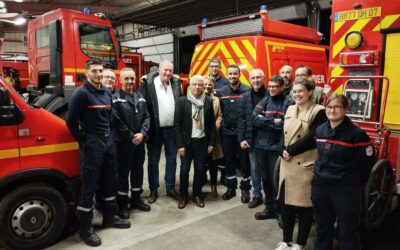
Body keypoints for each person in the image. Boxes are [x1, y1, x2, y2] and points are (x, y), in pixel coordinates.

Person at [66, 59, 130, 247]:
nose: (99, 74)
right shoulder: (81, 93)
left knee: (110, 180)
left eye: (100, 71)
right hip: (92, 143)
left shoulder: (106, 92)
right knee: (90, 185)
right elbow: (71, 122)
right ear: (87, 74)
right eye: (94, 71)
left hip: (108, 141)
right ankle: (85, 227)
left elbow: (110, 118)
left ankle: (109, 217)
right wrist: (83, 140)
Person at [309, 94, 374, 250]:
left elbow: (366, 164)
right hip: (321, 186)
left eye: (337, 107)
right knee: (323, 226)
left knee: (347, 230)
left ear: (345, 109)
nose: (333, 110)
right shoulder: (320, 130)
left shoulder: (357, 135)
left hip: (344, 189)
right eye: (330, 107)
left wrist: (352, 183)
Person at [275, 78, 327, 250]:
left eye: (301, 91)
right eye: (295, 91)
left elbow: (313, 137)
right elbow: (283, 132)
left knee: (305, 208)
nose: (297, 94)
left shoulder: (319, 111)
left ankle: (300, 243)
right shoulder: (290, 108)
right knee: (286, 206)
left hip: (305, 165)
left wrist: (290, 150)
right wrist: (281, 148)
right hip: (287, 166)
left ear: (310, 92)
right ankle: (286, 241)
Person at [252, 75, 294, 224]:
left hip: (277, 148)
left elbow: (286, 125)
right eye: (269, 86)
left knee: (278, 181)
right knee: (266, 180)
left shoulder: (290, 103)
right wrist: (273, 121)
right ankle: (269, 208)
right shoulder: (265, 100)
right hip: (262, 146)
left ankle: (280, 212)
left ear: (282, 87)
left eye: (274, 87)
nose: (270, 89)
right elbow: (254, 118)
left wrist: (265, 121)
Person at [139, 60, 183, 203]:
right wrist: (144, 130)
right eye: (165, 70)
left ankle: (170, 188)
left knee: (172, 159)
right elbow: (142, 108)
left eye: (170, 70)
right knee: (153, 160)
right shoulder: (148, 84)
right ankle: (153, 190)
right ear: (159, 70)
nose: (168, 73)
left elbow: (181, 104)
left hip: (172, 130)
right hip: (154, 130)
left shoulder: (176, 84)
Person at [112, 68, 151, 219]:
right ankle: (122, 204)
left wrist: (142, 133)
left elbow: (147, 117)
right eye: (126, 79)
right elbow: (116, 121)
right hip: (123, 144)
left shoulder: (140, 97)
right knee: (122, 174)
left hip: (139, 143)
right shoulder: (115, 98)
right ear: (120, 80)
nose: (129, 82)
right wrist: (130, 136)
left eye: (132, 79)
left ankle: (136, 199)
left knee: (138, 171)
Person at [174, 75, 216, 208]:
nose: (197, 87)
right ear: (190, 86)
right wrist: (180, 145)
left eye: (200, 85)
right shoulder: (182, 101)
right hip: (187, 143)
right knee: (185, 170)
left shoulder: (208, 101)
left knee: (199, 170)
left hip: (201, 142)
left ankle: (197, 195)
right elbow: (177, 124)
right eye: (195, 84)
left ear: (204, 86)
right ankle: (183, 196)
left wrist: (211, 143)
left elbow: (212, 125)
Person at [216, 64, 251, 202]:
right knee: (229, 161)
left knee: (244, 162)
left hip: (242, 134)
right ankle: (231, 188)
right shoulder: (222, 92)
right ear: (226, 75)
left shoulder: (247, 91)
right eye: (230, 74)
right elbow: (219, 112)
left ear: (239, 74)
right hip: (226, 133)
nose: (232, 76)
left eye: (235, 73)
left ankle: (245, 190)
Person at [237, 68, 267, 209]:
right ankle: (257, 195)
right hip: (252, 139)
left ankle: (271, 197)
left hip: (268, 140)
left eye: (258, 77)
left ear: (263, 78)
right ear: (249, 79)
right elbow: (241, 119)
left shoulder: (270, 95)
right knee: (254, 169)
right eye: (253, 78)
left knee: (268, 170)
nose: (256, 80)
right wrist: (242, 138)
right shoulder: (245, 97)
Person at [203, 76, 223, 197]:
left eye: (209, 84)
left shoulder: (216, 100)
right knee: (201, 163)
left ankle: (213, 187)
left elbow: (220, 115)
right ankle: (200, 183)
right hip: (200, 136)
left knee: (213, 163)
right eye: (205, 84)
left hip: (213, 136)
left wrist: (215, 127)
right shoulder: (196, 99)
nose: (207, 86)